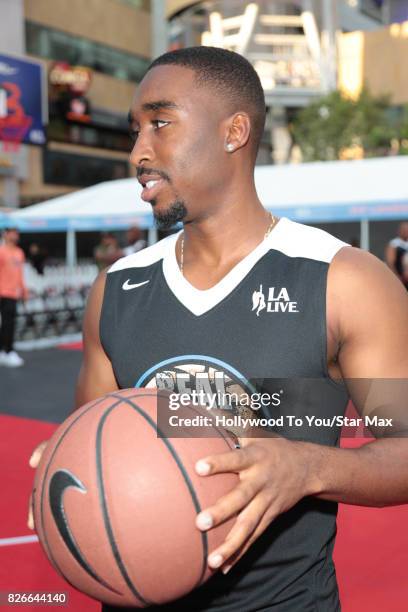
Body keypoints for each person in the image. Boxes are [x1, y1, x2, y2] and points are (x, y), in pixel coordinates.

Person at [28, 47, 408, 611]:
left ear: (235, 132)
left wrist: (310, 467)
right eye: (135, 131)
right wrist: (70, 460)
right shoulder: (118, 288)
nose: (138, 152)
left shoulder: (344, 281)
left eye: (160, 123)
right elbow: (109, 438)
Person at [0, 227, 28, 367]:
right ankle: (4, 351)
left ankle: (8, 351)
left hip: (12, 293)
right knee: (4, 324)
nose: (15, 235)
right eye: (12, 232)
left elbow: (20, 274)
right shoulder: (1, 251)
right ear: (5, 234)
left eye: (17, 232)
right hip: (2, 292)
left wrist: (24, 290)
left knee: (9, 323)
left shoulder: (19, 252)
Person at [385, 221, 408, 289]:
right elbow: (390, 262)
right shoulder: (394, 244)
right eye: (404, 230)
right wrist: (396, 276)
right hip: (400, 278)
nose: (406, 231)